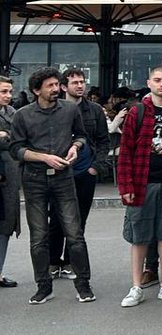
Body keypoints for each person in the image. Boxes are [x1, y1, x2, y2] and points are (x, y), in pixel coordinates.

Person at [9, 67, 93, 305]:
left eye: (57, 84)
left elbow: (81, 135)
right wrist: (43, 157)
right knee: (38, 236)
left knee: (74, 233)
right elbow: (16, 149)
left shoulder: (69, 109)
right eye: (50, 86)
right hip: (34, 179)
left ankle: (83, 285)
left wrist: (75, 147)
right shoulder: (23, 115)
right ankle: (43, 286)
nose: (56, 89)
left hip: (64, 177)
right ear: (37, 90)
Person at [117, 66, 162, 308]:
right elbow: (125, 151)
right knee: (140, 235)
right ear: (149, 83)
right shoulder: (137, 112)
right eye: (158, 80)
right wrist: (125, 185)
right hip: (141, 181)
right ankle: (136, 285)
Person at [48, 67, 110, 279]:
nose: (80, 85)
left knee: (79, 220)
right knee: (56, 219)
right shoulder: (55, 109)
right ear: (64, 86)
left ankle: (69, 262)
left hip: (85, 172)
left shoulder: (94, 110)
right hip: (59, 172)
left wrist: (96, 167)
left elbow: (103, 141)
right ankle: (52, 262)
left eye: (82, 81)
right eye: (75, 82)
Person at [0, 75, 21, 288]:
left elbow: (19, 139)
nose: (7, 96)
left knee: (5, 226)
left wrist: (5, 136)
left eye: (9, 91)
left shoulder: (14, 113)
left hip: (10, 176)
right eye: (3, 91)